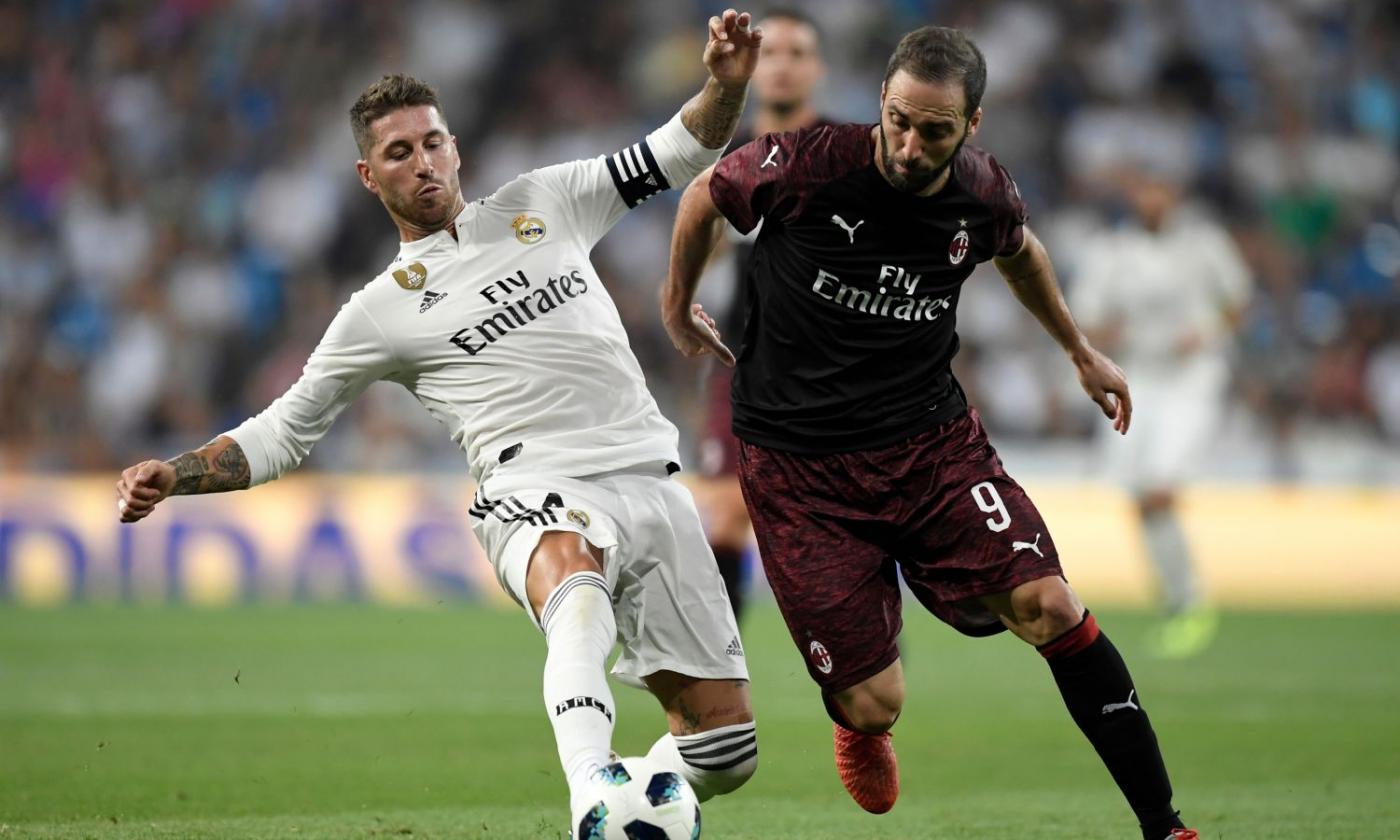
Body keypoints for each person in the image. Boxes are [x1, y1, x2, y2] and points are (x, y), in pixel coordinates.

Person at [115, 10, 763, 830]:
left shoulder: (546, 201)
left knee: (725, 750)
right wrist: (177, 472)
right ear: (367, 176)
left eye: (431, 142)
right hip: (535, 485)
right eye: (398, 152)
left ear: (454, 146)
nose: (421, 162)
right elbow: (285, 430)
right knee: (578, 591)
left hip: (649, 475)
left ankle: (644, 796)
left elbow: (681, 148)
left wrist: (727, 83)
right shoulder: (379, 311)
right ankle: (594, 793)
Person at [660, 25, 1197, 840]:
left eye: (936, 131)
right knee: (878, 702)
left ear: (972, 125)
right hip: (799, 471)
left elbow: (1020, 250)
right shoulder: (806, 165)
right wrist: (676, 305)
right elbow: (704, 196)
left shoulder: (982, 193)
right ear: (881, 100)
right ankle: (857, 714)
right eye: (900, 122)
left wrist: (1079, 352)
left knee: (1050, 602)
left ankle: (1166, 827)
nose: (911, 146)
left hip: (931, 449)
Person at [1073, 166, 1252, 658]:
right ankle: (1175, 599)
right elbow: (1086, 318)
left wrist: (1208, 332)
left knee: (1159, 488)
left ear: (1174, 192)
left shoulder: (1204, 244)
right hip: (1136, 380)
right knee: (1138, 497)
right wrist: (1113, 336)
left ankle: (1189, 603)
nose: (1152, 198)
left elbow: (1236, 301)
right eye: (1143, 188)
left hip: (1193, 379)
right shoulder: (1111, 251)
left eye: (1160, 188)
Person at [696, 6, 829, 626]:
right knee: (724, 513)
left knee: (832, 527)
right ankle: (720, 669)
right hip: (742, 361)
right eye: (769, 52)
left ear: (816, 68)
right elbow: (704, 243)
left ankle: (871, 676)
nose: (780, 66)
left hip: (827, 369)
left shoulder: (845, 157)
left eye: (796, 54)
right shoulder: (726, 155)